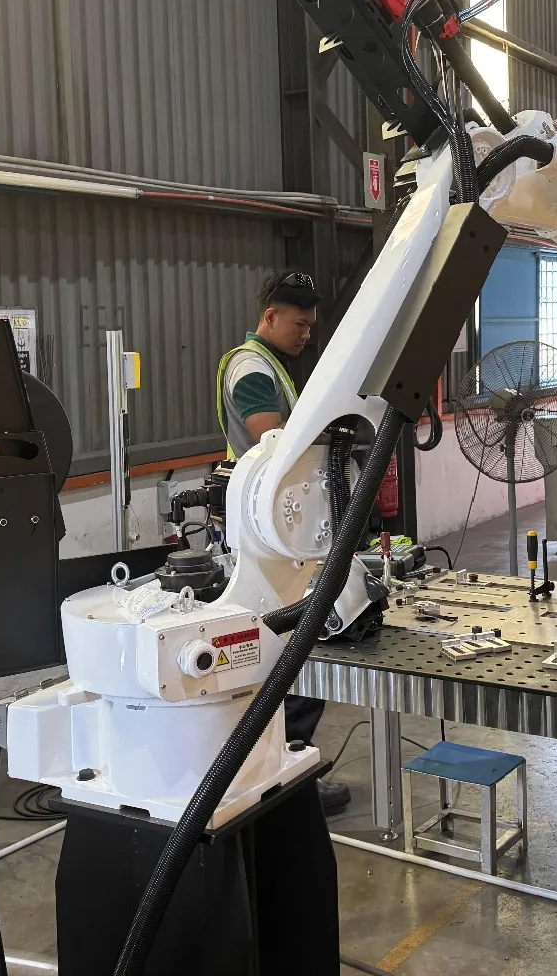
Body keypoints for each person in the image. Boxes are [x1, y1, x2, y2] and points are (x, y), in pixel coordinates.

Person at [217, 269, 352, 817]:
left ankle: (284, 763)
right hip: (261, 531)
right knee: (285, 649)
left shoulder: (274, 368)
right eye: (298, 324)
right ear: (270, 316)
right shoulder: (251, 369)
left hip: (278, 527)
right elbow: (276, 443)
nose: (305, 335)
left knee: (293, 645)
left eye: (311, 326)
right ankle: (282, 768)